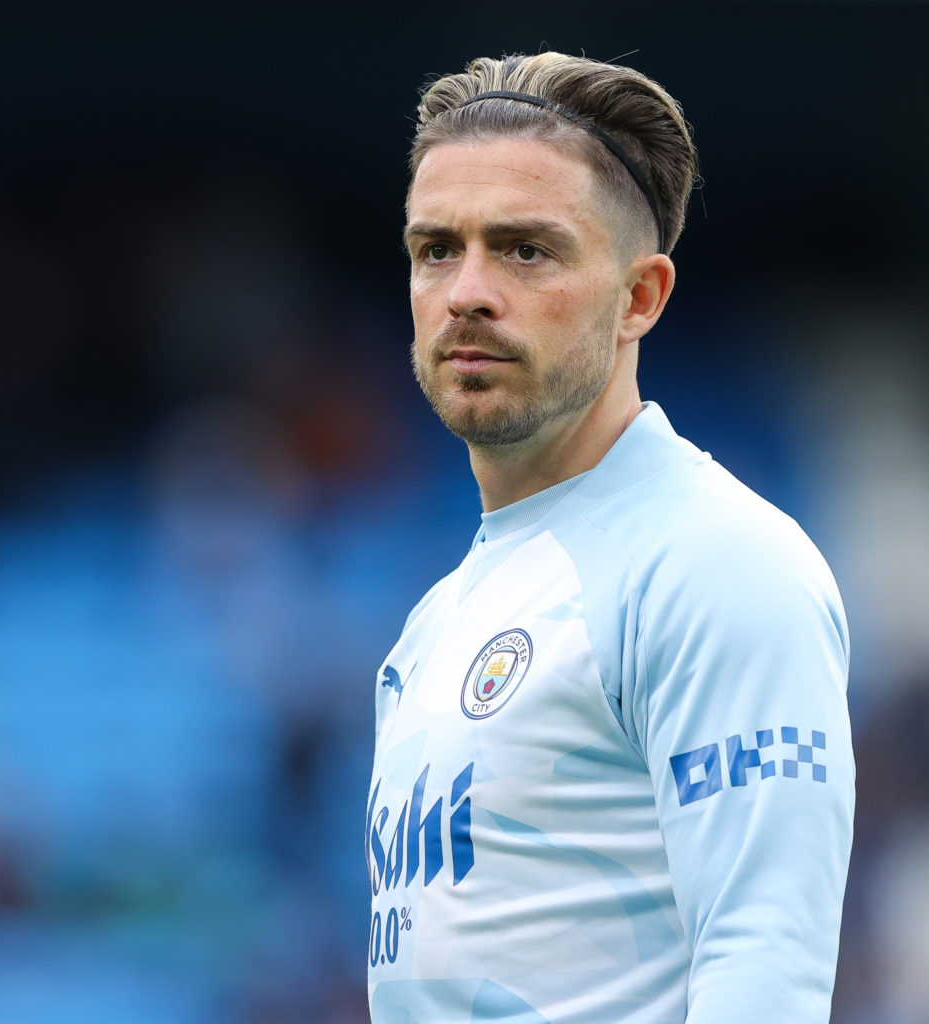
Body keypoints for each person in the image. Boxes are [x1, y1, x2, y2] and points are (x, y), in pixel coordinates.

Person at [366, 52, 854, 1023]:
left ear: (640, 298)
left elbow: (765, 964)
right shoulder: (431, 627)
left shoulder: (715, 562)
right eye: (436, 249)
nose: (466, 290)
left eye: (525, 250)